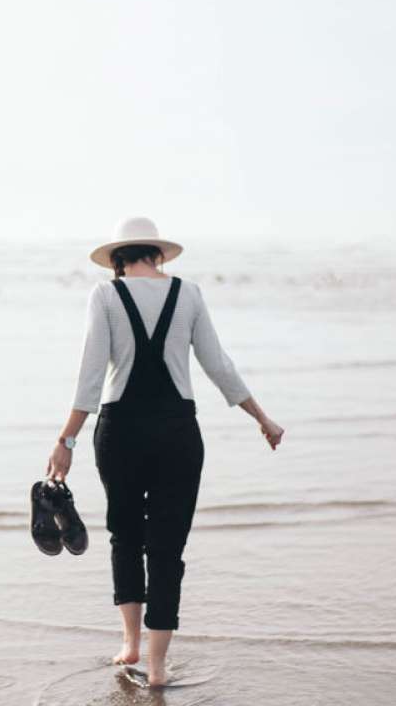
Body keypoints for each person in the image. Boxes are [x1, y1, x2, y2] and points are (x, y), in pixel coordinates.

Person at [47, 217, 284, 687]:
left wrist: (66, 440)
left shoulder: (106, 295)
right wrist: (261, 417)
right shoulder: (189, 293)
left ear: (118, 259)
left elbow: (91, 373)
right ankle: (155, 667)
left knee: (125, 534)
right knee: (168, 547)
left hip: (120, 433)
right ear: (157, 255)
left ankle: (130, 644)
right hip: (178, 432)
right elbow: (218, 364)